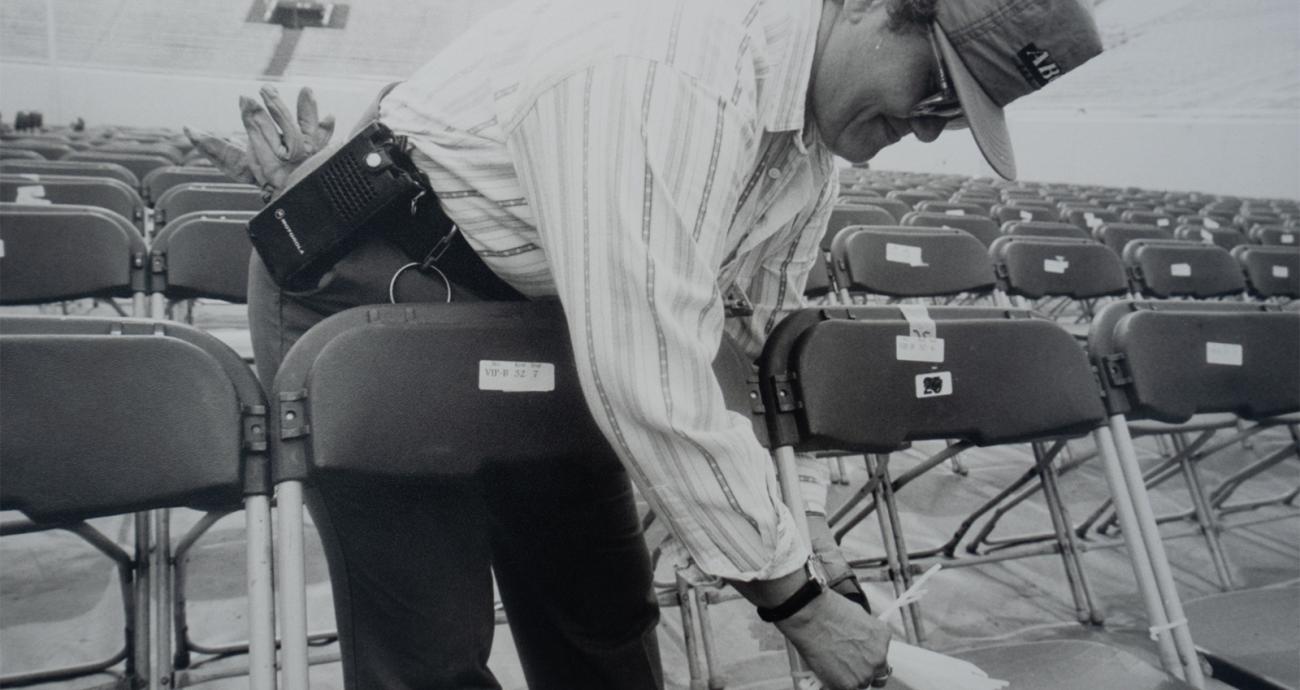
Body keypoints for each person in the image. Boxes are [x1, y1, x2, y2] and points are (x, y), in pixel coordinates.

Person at [189, 0, 1101, 688]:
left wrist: (808, 528)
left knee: (604, 622)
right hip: (375, 302)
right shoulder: (666, 58)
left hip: (544, 317)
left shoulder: (810, 138)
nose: (931, 127)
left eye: (961, 115)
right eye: (937, 88)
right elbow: (644, 364)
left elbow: (753, 337)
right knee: (430, 648)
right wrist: (799, 606)